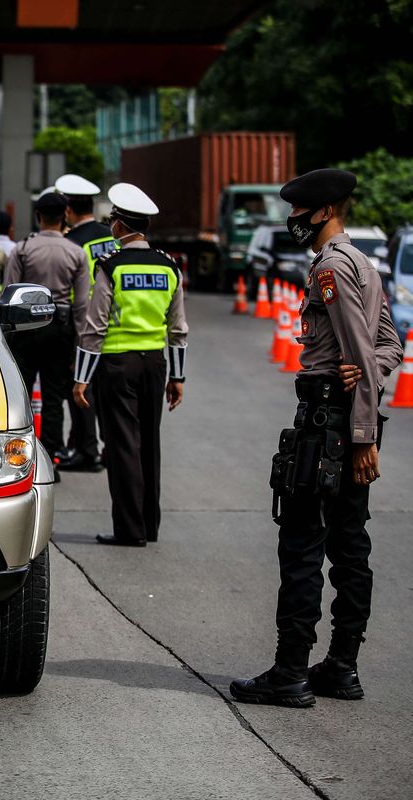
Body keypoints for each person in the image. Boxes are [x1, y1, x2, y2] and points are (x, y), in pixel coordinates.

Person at [231, 169, 403, 707]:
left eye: (300, 212)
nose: (294, 222)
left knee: (303, 547)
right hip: (349, 418)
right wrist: (367, 372)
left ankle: (290, 674)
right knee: (351, 547)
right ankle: (342, 668)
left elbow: (356, 349)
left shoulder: (330, 268)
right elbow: (390, 346)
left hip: (331, 424)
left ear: (324, 211)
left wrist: (361, 434)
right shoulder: (364, 264)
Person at [73, 183, 188, 547]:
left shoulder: (111, 266)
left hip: (117, 364)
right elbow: (179, 327)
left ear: (121, 226)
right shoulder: (170, 267)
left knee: (123, 446)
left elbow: (95, 326)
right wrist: (179, 376)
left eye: (113, 222)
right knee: (149, 443)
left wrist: (80, 378)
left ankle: (129, 529)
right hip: (155, 365)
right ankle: (149, 526)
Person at [4, 190, 89, 462]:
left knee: (22, 394)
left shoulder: (23, 249)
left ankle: (21, 457)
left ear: (38, 216)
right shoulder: (76, 253)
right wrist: (80, 347)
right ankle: (51, 457)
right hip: (60, 328)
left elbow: (9, 295)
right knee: (54, 397)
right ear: (65, 215)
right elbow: (82, 306)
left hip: (26, 328)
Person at [56, 173, 116, 472]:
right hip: (116, 324)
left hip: (84, 325)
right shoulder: (112, 235)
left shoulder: (71, 242)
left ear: (67, 208)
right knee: (106, 392)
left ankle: (86, 450)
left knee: (79, 389)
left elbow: (69, 292)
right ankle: (107, 448)